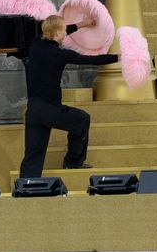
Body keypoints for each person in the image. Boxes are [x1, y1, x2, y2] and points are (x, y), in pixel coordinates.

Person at [20, 14, 119, 178]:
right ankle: (73, 162)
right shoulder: (60, 54)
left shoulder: (35, 45)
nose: (66, 33)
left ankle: (25, 188)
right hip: (51, 110)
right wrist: (119, 57)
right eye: (64, 31)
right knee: (82, 119)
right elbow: (92, 61)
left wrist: (82, 24)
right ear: (57, 33)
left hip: (33, 111)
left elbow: (56, 29)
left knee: (32, 156)